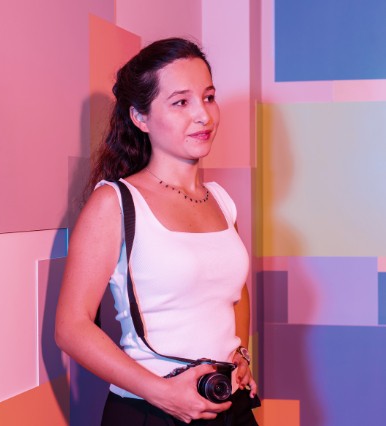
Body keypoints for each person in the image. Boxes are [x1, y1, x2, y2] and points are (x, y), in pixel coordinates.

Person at [55, 37, 259, 425]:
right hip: (150, 410)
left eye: (209, 97)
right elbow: (71, 327)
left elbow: (236, 291)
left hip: (228, 404)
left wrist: (240, 354)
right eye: (181, 102)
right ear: (140, 117)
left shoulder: (220, 199)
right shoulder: (115, 202)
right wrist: (162, 394)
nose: (203, 116)